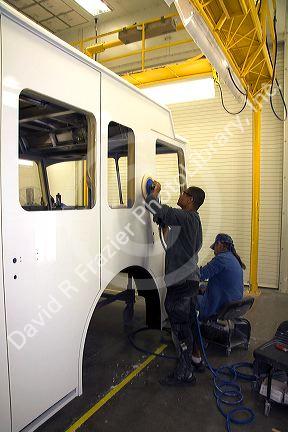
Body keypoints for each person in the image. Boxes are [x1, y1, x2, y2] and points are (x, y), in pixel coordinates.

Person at [145, 182, 205, 386]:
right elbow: (168, 236)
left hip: (181, 283)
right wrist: (163, 222)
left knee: (180, 329)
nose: (181, 194)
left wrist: (154, 193)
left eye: (184, 193)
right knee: (185, 325)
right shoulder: (192, 222)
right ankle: (193, 361)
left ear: (191, 200)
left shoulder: (186, 217)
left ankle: (184, 374)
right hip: (189, 281)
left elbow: (154, 206)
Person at [198, 233, 245, 321]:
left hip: (220, 306)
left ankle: (194, 331)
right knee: (202, 288)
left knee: (190, 300)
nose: (214, 252)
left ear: (219, 244)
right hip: (232, 306)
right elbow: (223, 282)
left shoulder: (221, 259)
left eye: (214, 248)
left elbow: (201, 275)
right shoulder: (234, 259)